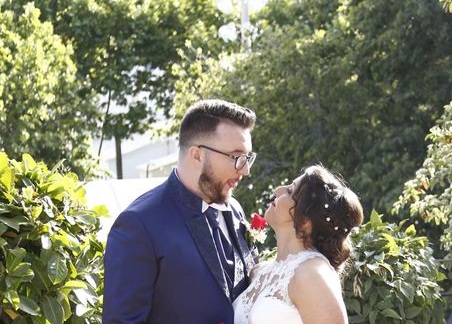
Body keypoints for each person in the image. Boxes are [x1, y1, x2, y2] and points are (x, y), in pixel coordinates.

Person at [103, 99, 259, 324]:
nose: (245, 170)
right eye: (237, 157)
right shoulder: (138, 225)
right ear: (197, 155)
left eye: (247, 158)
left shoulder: (234, 209)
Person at [233, 164, 364, 324]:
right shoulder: (258, 272)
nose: (277, 190)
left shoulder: (313, 274)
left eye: (289, 191)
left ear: (306, 221)